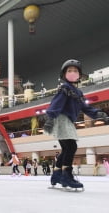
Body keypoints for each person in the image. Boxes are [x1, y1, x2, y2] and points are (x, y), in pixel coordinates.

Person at [44, 59, 108, 190]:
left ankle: (56, 174)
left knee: (67, 149)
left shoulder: (78, 92)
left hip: (67, 121)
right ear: (64, 74)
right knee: (71, 146)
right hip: (61, 119)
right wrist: (50, 118)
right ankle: (66, 176)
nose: (72, 73)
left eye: (75, 70)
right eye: (69, 70)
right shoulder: (65, 88)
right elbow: (56, 103)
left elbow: (85, 108)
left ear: (79, 74)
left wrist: (99, 114)